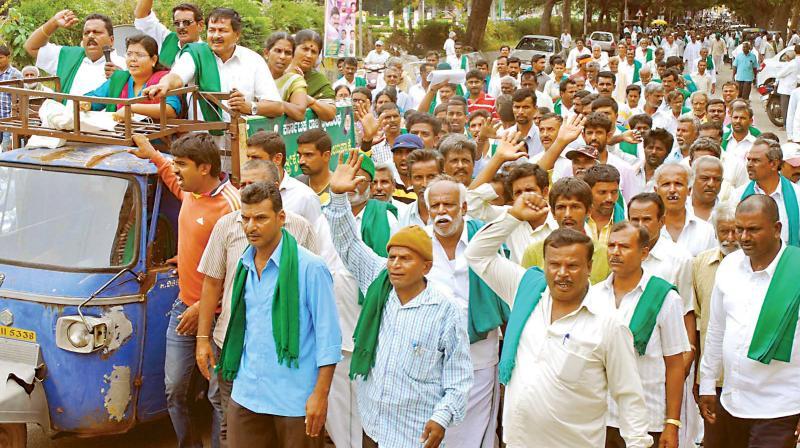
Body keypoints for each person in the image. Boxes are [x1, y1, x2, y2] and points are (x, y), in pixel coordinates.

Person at [465, 197, 652, 447]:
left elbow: (629, 396)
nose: (562, 273)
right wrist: (513, 216)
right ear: (544, 265)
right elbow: (476, 254)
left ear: (589, 267)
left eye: (572, 266)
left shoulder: (608, 325)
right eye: (554, 265)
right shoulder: (525, 292)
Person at [325, 151, 473, 448]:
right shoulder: (379, 281)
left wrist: (442, 418)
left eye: (405, 259)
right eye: (392, 257)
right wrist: (338, 197)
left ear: (426, 267)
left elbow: (459, 378)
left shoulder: (445, 311)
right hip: (374, 425)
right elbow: (348, 243)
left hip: (415, 434)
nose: (394, 264)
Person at [195, 159, 320, 447]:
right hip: (233, 345)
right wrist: (202, 340)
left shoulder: (299, 230)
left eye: (256, 185)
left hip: (284, 353)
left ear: (276, 192)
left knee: (283, 430)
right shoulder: (227, 225)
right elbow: (212, 282)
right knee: (234, 424)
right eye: (243, 184)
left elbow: (313, 295)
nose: (246, 190)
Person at [129, 133, 240, 448]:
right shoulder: (190, 191)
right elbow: (167, 171)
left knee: (219, 397)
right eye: (176, 163)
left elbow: (238, 273)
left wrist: (202, 308)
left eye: (183, 165)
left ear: (204, 168)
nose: (175, 170)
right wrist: (152, 153)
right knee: (174, 388)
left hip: (220, 317)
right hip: (184, 306)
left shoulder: (231, 207)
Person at [217, 182, 341, 447]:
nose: (251, 226)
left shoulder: (311, 268)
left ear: (281, 218)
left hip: (294, 399)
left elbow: (328, 339)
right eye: (246, 219)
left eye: (261, 218)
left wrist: (320, 395)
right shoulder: (244, 263)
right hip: (247, 393)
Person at [699, 195, 800, 448]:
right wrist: (708, 384)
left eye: (753, 229)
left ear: (777, 229)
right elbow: (717, 329)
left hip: (780, 408)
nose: (743, 237)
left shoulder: (795, 270)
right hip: (732, 402)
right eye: (739, 229)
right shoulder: (730, 266)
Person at [596, 222, 690, 448]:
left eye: (624, 247)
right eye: (611, 245)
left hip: (646, 419)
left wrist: (672, 422)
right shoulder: (594, 295)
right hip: (600, 418)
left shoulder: (664, 297)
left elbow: (675, 364)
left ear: (644, 253)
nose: (615, 252)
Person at [143, 8, 282, 123]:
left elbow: (276, 107)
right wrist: (163, 85)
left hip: (240, 144)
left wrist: (249, 107)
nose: (216, 36)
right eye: (212, 30)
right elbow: (177, 76)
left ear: (237, 35)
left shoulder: (253, 60)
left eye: (222, 30)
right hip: (201, 144)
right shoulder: (195, 54)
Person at [691, 202, 738, 448]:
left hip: (745, 377)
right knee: (715, 441)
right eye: (724, 232)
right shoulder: (701, 264)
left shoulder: (756, 266)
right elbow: (699, 323)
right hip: (713, 377)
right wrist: (700, 377)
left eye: (735, 231)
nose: (730, 238)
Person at [520, 177, 611, 284]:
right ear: (553, 213)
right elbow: (527, 293)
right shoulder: (534, 252)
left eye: (575, 207)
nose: (568, 214)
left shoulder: (605, 255)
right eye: (561, 207)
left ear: (589, 211)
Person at [24, 10, 127, 95]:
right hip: (68, 119)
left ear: (111, 40)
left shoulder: (125, 65)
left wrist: (121, 78)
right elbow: (31, 47)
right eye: (86, 33)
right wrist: (53, 23)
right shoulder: (69, 57)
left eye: (97, 32)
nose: (90, 36)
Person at [82, 34, 181, 122]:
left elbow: (170, 110)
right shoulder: (119, 78)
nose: (133, 59)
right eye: (129, 54)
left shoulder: (164, 79)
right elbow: (96, 98)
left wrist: (132, 108)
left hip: (154, 140)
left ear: (153, 59)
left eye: (139, 55)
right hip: (119, 137)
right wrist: (87, 104)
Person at [732, 138, 800, 247]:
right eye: (748, 159)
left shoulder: (797, 195)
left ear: (773, 164)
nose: (749, 164)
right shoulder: (738, 196)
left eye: (756, 161)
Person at [654, 162, 717, 257]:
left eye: (678, 184)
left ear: (689, 190)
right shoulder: (648, 229)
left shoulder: (706, 232)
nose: (672, 190)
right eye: (666, 184)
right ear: (656, 190)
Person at [134, 0, 203, 67]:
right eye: (177, 23)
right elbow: (142, 17)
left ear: (200, 25)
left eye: (186, 22)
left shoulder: (206, 53)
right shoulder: (167, 39)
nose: (181, 27)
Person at [292, 30, 337, 121]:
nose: (309, 55)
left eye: (313, 52)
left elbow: (330, 114)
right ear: (293, 49)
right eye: (305, 49)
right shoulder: (277, 72)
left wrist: (310, 101)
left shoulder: (319, 81)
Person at [263, 31, 309, 122]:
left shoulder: (295, 81)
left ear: (292, 58)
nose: (282, 57)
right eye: (278, 51)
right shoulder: (252, 76)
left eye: (288, 53)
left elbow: (299, 113)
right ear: (266, 53)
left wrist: (273, 104)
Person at [398, 149, 444, 227]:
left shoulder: (455, 216)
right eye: (418, 177)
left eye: (431, 177)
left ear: (442, 177)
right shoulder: (402, 217)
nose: (424, 184)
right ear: (410, 180)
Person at [584, 164, 623, 246]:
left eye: (614, 192)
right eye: (602, 192)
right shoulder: (577, 220)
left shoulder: (626, 223)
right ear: (588, 192)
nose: (609, 198)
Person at [296, 128, 334, 204]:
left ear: (326, 156)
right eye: (299, 155)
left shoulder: (340, 189)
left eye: (308, 155)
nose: (301, 161)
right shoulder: (297, 184)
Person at [690, 155, 725, 221]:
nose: (711, 184)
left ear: (721, 181)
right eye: (705, 178)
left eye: (717, 179)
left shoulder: (729, 213)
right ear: (692, 179)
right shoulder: (678, 209)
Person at [0, 45, 21, 150]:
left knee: (6, 150)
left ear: (8, 57)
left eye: (0, 58)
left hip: (9, 120)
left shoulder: (16, 75)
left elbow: (21, 100)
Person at [776, 45, 800, 126]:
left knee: (785, 108)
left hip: (786, 89)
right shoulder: (793, 63)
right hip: (791, 87)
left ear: (788, 57)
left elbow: (779, 74)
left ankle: (786, 125)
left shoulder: (791, 65)